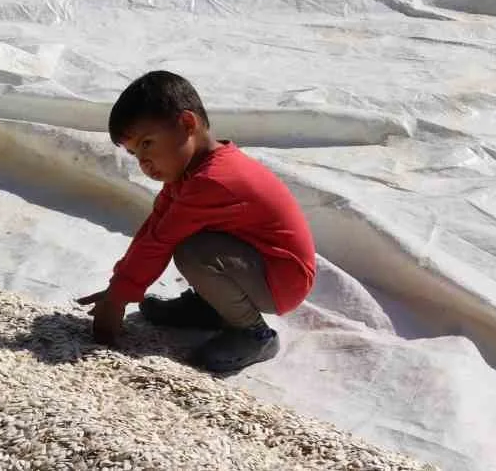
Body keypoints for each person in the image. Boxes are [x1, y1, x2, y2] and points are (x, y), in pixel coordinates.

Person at [77, 70, 317, 374]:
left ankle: (254, 334)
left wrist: (119, 298)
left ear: (187, 124)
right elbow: (155, 227)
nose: (143, 162)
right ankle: (211, 308)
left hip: (282, 279)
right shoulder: (192, 172)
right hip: (256, 263)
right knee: (193, 243)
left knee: (194, 252)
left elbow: (161, 240)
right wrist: (119, 287)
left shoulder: (213, 181)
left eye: (147, 143)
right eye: (135, 153)